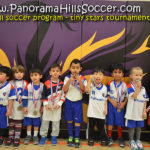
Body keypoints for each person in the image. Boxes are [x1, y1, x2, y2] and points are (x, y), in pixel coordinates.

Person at [63, 59, 87, 148]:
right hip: (69, 101)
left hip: (78, 102)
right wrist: (70, 80)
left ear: (80, 69)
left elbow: (83, 90)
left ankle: (77, 138)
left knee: (77, 121)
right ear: (70, 68)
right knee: (69, 120)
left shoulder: (83, 78)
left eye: (77, 68)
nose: (75, 70)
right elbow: (64, 90)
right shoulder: (66, 78)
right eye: (73, 68)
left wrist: (79, 80)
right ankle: (70, 137)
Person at [40, 63, 65, 146]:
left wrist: (60, 103)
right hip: (47, 106)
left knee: (56, 123)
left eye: (57, 71)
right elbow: (43, 95)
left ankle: (54, 136)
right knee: (45, 122)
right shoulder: (46, 83)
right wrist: (46, 103)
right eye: (53, 71)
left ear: (60, 73)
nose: (55, 73)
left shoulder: (62, 83)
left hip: (57, 106)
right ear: (50, 72)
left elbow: (63, 95)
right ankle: (43, 136)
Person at [125, 67, 149, 150]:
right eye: (136, 75)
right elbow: (134, 96)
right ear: (131, 76)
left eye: (140, 75)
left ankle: (138, 140)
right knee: (131, 127)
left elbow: (145, 100)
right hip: (131, 112)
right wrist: (138, 87)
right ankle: (131, 141)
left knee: (139, 127)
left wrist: (144, 111)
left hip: (140, 112)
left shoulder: (143, 88)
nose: (138, 77)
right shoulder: (129, 87)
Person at [5, 65, 28, 148]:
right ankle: (10, 137)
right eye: (17, 72)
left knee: (18, 123)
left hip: (21, 106)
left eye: (21, 72)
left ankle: (17, 138)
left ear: (24, 73)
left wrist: (26, 106)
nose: (19, 74)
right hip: (11, 105)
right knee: (11, 123)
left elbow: (26, 96)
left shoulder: (25, 83)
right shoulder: (10, 83)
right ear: (13, 74)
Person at [107, 64, 128, 147]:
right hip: (111, 105)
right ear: (112, 74)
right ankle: (109, 137)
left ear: (122, 74)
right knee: (110, 121)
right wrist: (112, 101)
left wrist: (124, 103)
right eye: (115, 72)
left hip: (120, 106)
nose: (117, 74)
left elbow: (127, 96)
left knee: (120, 122)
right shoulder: (109, 84)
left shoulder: (125, 85)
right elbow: (106, 95)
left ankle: (120, 137)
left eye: (119, 72)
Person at [86, 67, 108, 146]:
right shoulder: (91, 85)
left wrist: (105, 109)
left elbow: (105, 99)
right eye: (96, 74)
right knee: (91, 127)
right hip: (92, 111)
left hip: (101, 112)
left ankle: (103, 139)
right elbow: (87, 90)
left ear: (103, 77)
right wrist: (89, 80)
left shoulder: (105, 88)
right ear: (93, 75)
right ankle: (90, 138)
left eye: (100, 74)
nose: (98, 76)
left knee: (101, 127)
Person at [22, 68, 43, 145]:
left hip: (37, 109)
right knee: (28, 123)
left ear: (40, 76)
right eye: (32, 75)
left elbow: (44, 98)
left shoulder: (42, 86)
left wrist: (43, 106)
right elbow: (24, 97)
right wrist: (24, 106)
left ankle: (35, 136)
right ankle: (28, 135)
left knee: (36, 123)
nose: (34, 77)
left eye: (36, 75)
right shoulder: (28, 86)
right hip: (29, 108)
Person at [0, 66, 16, 146]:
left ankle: (1, 137)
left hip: (3, 107)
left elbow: (11, 99)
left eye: (1, 74)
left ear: (7, 77)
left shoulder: (10, 86)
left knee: (2, 124)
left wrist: (9, 110)